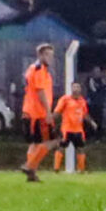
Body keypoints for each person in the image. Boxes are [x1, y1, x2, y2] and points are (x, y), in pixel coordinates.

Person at [20, 43, 59, 181]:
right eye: (48, 55)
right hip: (38, 113)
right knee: (51, 141)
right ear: (40, 55)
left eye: (52, 55)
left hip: (30, 111)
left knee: (35, 143)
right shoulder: (38, 70)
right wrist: (48, 112)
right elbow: (40, 92)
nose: (51, 58)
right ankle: (29, 165)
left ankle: (31, 174)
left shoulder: (39, 70)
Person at [56, 86, 90, 172]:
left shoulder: (82, 101)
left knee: (81, 148)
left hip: (78, 129)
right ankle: (56, 168)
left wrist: (92, 122)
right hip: (67, 129)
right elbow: (58, 111)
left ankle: (81, 169)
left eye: (78, 87)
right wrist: (51, 119)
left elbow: (85, 114)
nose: (76, 89)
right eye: (74, 87)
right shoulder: (65, 99)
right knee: (61, 147)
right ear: (71, 89)